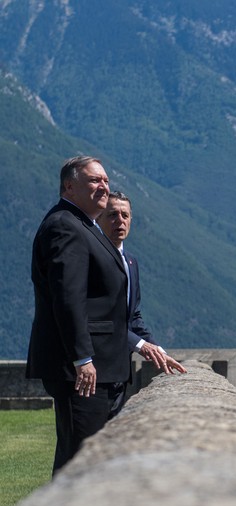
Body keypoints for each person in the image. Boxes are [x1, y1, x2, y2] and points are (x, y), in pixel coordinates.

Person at [26, 156, 130, 475]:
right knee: (79, 462)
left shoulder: (84, 225)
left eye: (106, 180)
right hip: (84, 372)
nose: (104, 186)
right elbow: (67, 297)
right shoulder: (65, 225)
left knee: (83, 457)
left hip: (101, 368)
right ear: (70, 187)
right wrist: (82, 358)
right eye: (95, 180)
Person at [97, 191, 187, 377]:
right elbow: (97, 317)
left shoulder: (130, 262)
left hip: (120, 369)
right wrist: (140, 345)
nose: (120, 221)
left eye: (125, 215)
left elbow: (133, 317)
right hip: (93, 367)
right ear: (98, 219)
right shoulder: (91, 258)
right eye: (112, 215)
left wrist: (159, 352)